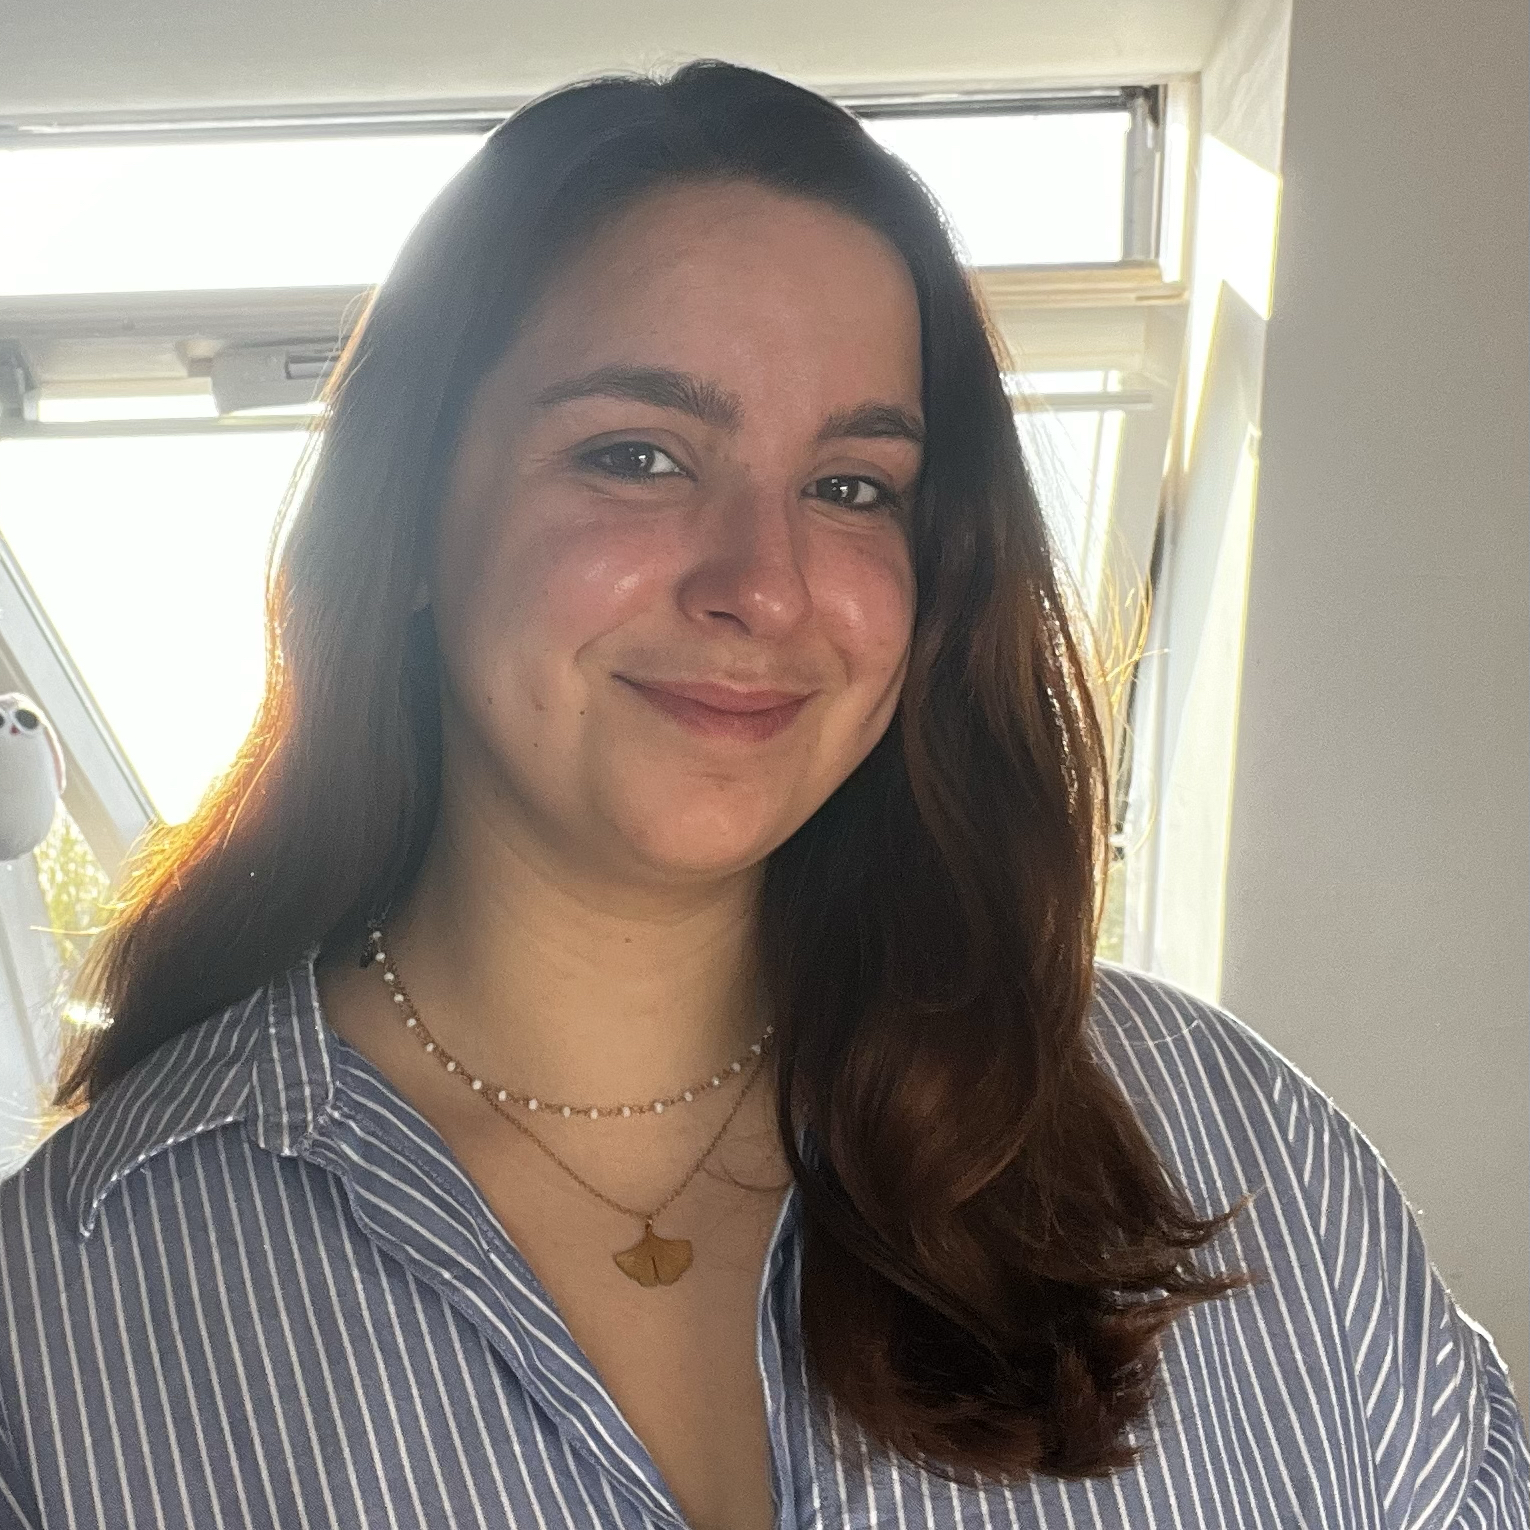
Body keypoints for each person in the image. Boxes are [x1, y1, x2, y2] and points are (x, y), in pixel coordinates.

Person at [0, 59, 1523, 1530]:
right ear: (405, 527)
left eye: (853, 486)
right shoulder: (64, 1307)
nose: (766, 584)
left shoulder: (1232, 1144)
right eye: (637, 455)